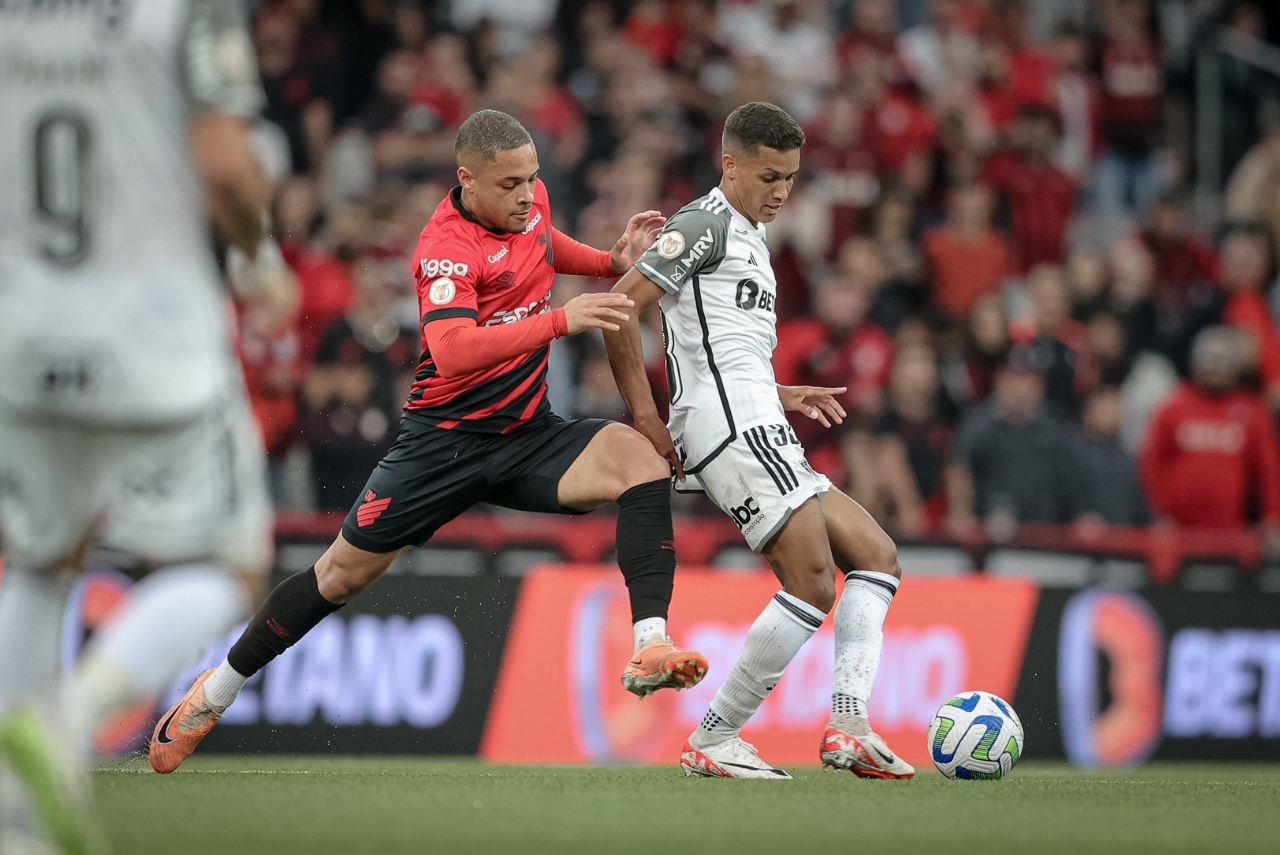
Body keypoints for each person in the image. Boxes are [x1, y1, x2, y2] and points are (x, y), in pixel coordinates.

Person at [151, 110, 708, 774]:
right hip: (441, 446)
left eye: (531, 179)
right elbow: (451, 350)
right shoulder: (443, 249)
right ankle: (215, 693)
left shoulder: (527, 203)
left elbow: (541, 244)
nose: (527, 195)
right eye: (510, 185)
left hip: (526, 433)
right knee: (338, 576)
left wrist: (604, 261)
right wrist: (562, 318)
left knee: (638, 460)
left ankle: (650, 641)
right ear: (467, 179)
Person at [0, 1, 281, 850]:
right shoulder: (183, 7)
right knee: (235, 567)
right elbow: (225, 166)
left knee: (42, 558)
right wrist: (262, 263)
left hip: (23, 330)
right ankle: (69, 721)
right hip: (157, 341)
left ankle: (19, 825)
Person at [604, 102, 912, 780]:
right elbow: (619, 309)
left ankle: (849, 725)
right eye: (769, 175)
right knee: (810, 581)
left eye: (792, 179)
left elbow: (721, 349)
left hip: (754, 413)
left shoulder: (749, 232)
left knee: (878, 557)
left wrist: (780, 392)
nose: (781, 191)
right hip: (731, 425)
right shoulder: (704, 222)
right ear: (731, 163)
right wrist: (646, 418)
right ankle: (714, 738)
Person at [1139, 327, 1280, 543]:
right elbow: (1152, 462)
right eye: (1210, 360)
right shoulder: (1174, 406)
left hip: (1232, 533)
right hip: (1177, 533)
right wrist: (1157, 512)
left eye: (1222, 360)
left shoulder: (1252, 411)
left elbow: (1269, 471)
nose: (1215, 367)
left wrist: (1272, 520)